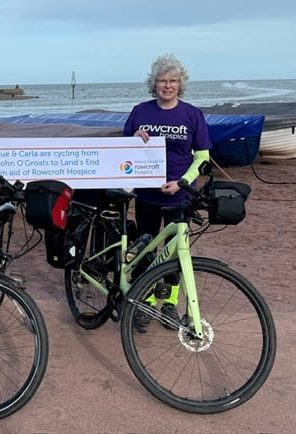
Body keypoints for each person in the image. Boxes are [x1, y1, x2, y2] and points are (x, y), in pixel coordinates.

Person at [122, 53, 212, 331]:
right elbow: (122, 150)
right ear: (154, 84)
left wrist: (182, 182)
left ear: (180, 84)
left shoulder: (192, 114)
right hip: (147, 194)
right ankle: (146, 302)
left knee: (174, 255)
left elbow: (203, 157)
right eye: (162, 80)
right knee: (146, 250)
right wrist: (135, 138)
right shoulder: (141, 111)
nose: (167, 85)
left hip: (180, 197)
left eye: (173, 81)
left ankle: (170, 305)